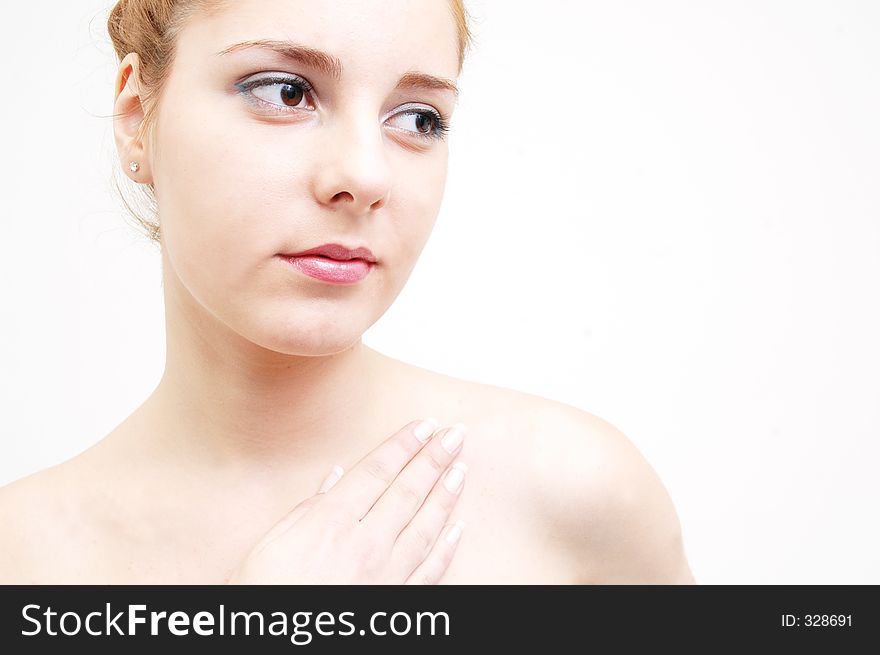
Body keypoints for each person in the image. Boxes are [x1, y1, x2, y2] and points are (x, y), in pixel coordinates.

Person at [0, 0, 695, 584]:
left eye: (419, 118)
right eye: (285, 91)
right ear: (134, 115)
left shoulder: (580, 493)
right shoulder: (22, 556)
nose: (365, 175)